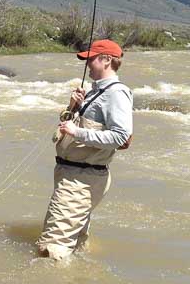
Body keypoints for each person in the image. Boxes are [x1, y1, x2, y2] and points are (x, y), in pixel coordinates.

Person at [37, 39, 133, 260]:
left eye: (91, 59)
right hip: (73, 175)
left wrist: (77, 132)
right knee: (76, 244)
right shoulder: (95, 92)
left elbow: (121, 137)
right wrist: (73, 107)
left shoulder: (116, 94)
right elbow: (64, 128)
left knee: (51, 250)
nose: (87, 64)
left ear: (107, 60)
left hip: (81, 179)